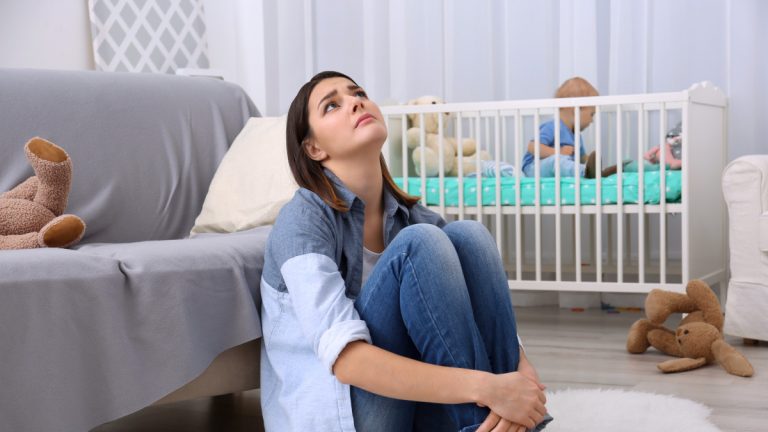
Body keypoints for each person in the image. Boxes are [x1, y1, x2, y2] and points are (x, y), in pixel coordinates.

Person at [259, 71, 553, 432]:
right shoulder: (303, 219)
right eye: (332, 105)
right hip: (340, 415)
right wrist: (488, 387)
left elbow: (482, 307)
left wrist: (520, 371)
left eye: (359, 93)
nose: (356, 102)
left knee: (469, 237)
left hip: (408, 408)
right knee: (420, 243)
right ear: (314, 148)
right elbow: (347, 362)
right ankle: (487, 421)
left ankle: (506, 425)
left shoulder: (408, 215)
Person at [521, 77, 615, 179]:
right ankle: (585, 172)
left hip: (554, 169)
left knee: (565, 162)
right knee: (557, 160)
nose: (592, 120)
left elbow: (582, 157)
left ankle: (596, 172)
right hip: (534, 168)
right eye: (591, 114)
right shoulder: (553, 127)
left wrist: (590, 161)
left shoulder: (576, 136)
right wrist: (558, 152)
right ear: (576, 109)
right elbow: (532, 147)